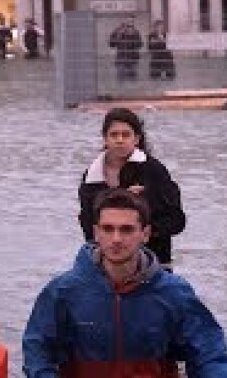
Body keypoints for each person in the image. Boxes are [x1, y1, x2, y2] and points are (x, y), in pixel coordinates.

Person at [23, 188, 227, 378]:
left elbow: (207, 352)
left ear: (145, 234)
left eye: (126, 229)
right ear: (95, 232)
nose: (116, 239)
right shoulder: (64, 292)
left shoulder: (173, 293)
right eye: (108, 229)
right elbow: (36, 350)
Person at [78, 108, 186, 267]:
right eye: (114, 135)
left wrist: (138, 212)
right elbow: (88, 226)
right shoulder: (91, 176)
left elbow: (177, 220)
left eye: (126, 135)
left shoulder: (154, 170)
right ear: (105, 139)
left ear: (137, 139)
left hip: (154, 262)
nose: (120, 140)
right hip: (105, 264)